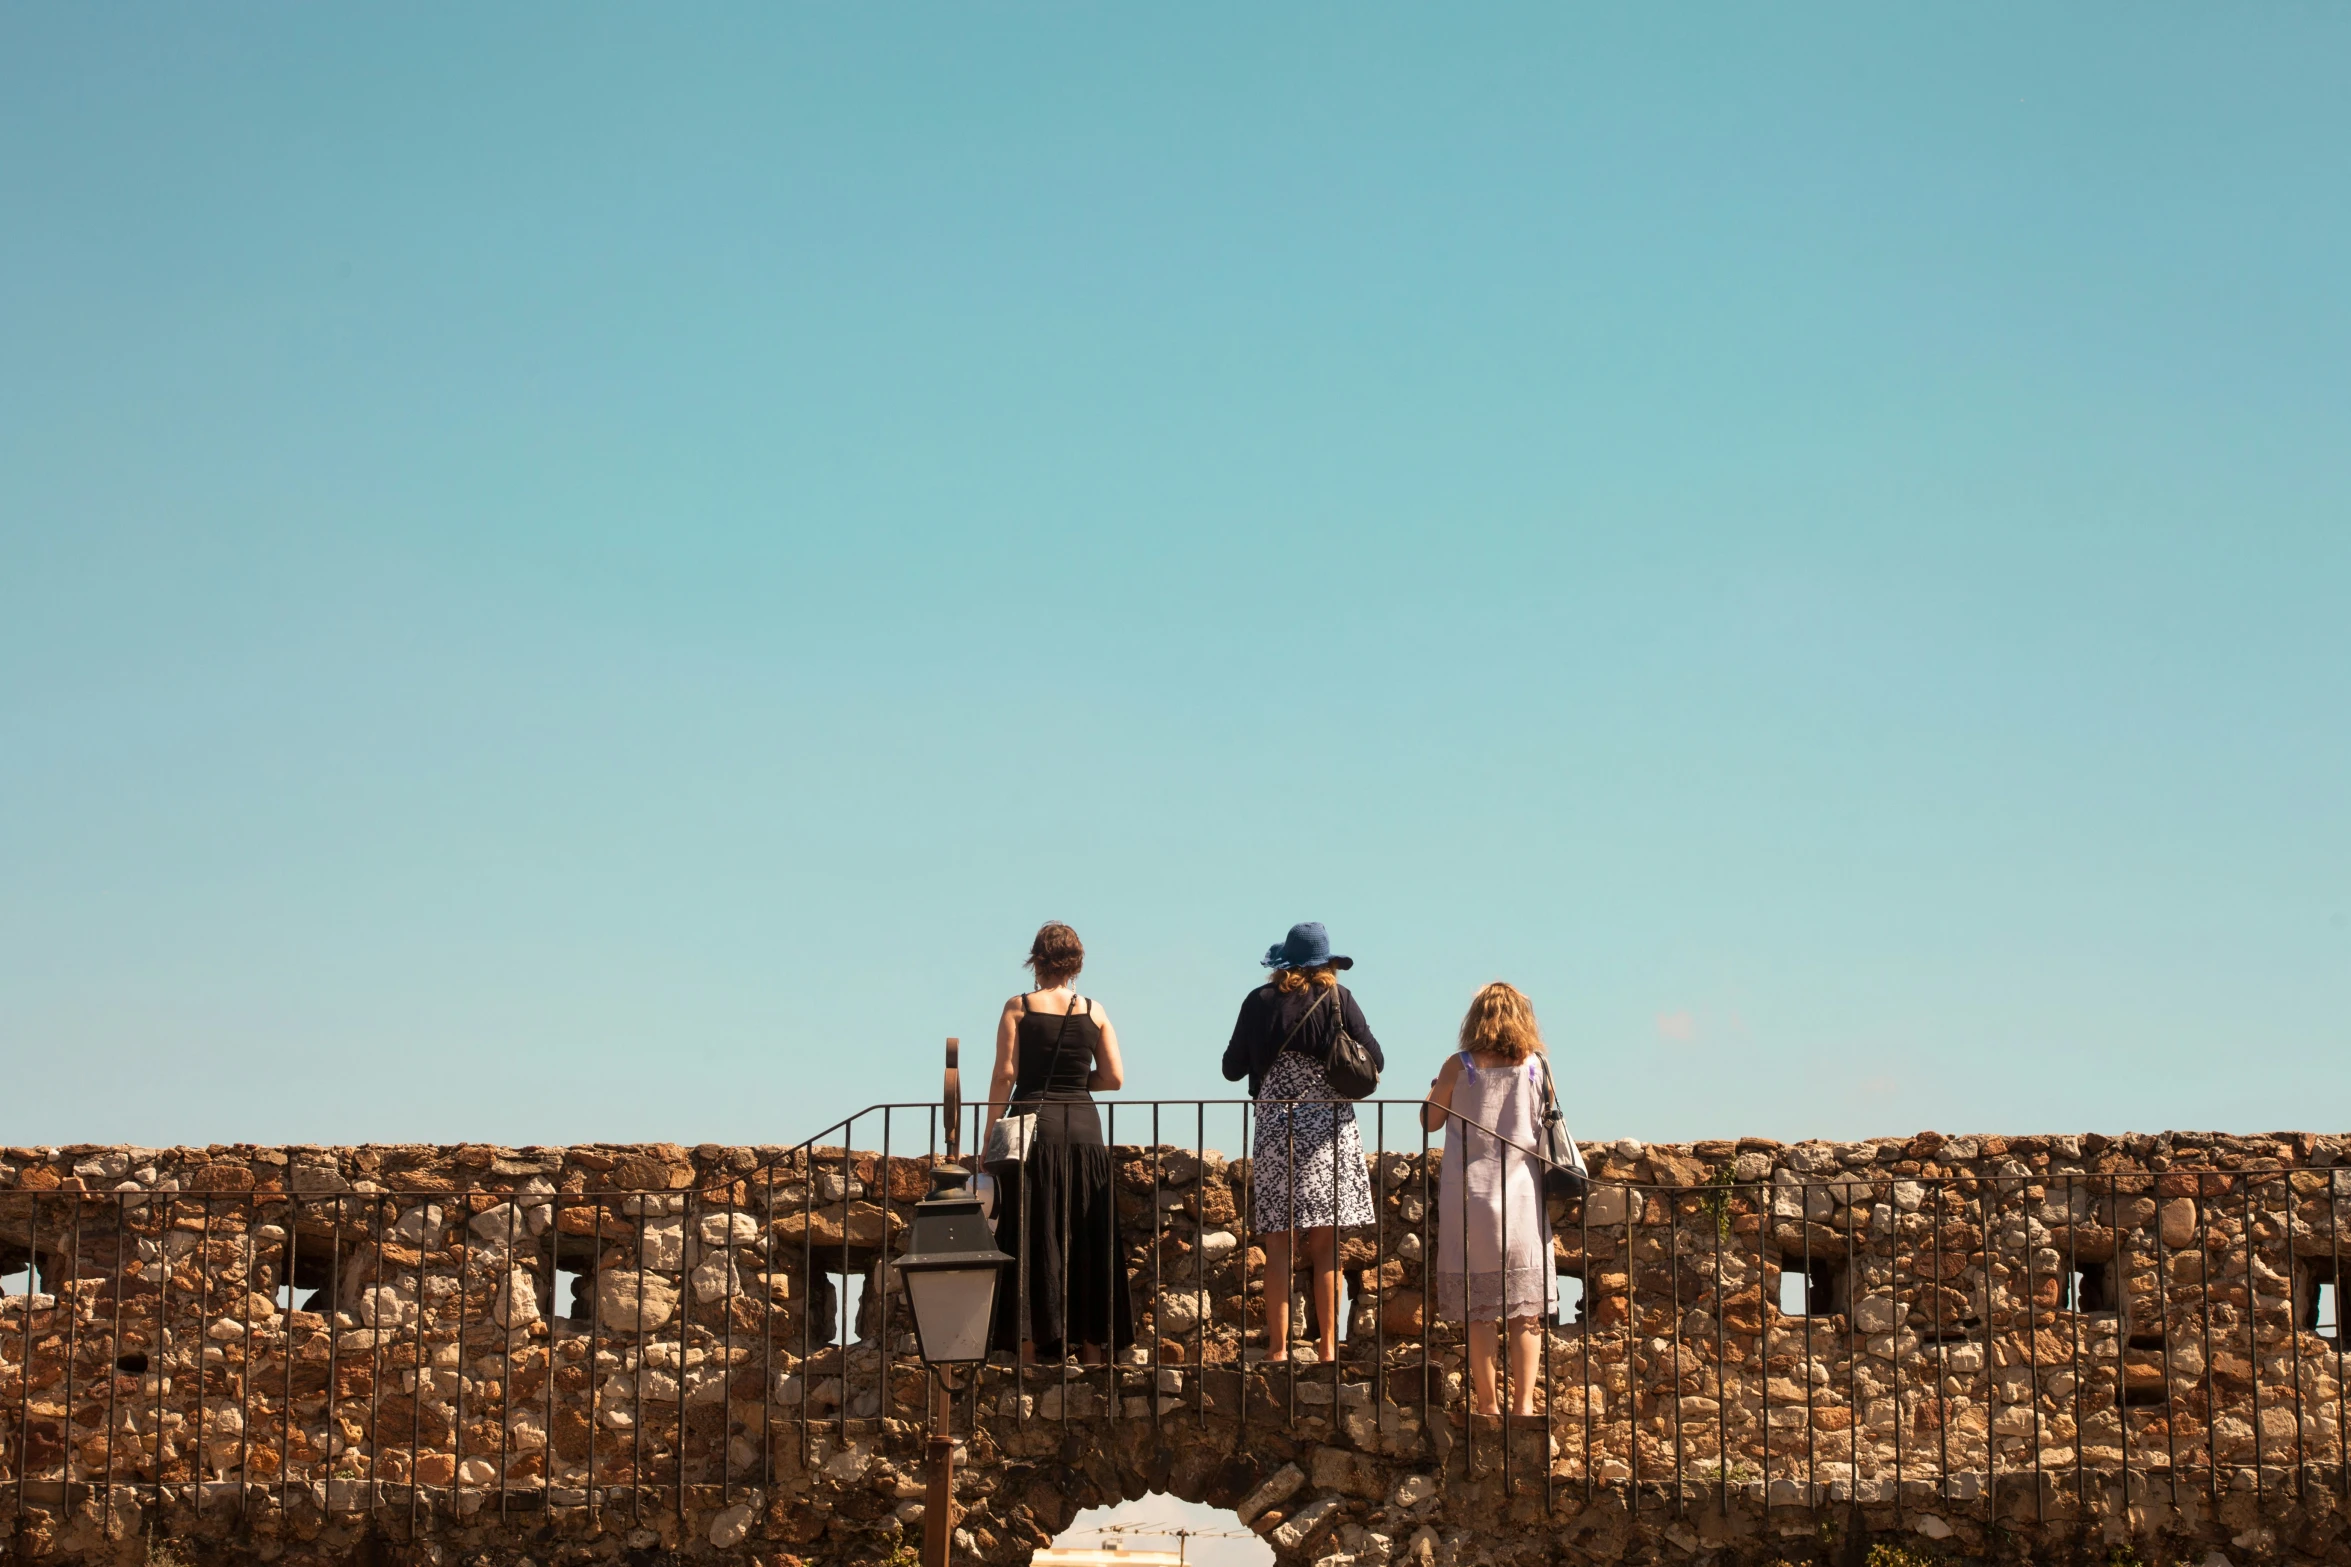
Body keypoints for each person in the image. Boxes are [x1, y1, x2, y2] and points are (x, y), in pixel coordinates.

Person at [1222, 921, 1383, 1364]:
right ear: (1327, 963)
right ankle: (1330, 1349)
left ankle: (1277, 1350)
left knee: (1277, 1245)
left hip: (1277, 1131)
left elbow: (1231, 1068)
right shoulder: (1338, 1000)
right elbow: (1377, 1059)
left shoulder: (1258, 1002)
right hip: (1328, 1130)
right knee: (1326, 1248)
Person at [981, 922, 1135, 1363]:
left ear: (1036, 960)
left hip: (1033, 1125)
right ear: (1076, 963)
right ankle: (1091, 1352)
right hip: (1085, 1130)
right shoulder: (1094, 1010)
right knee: (1087, 1234)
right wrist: (1074, 1080)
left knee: (1032, 1233)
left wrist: (992, 1132)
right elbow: (1114, 1078)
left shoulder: (1019, 1007)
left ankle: (1029, 1351)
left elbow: (1004, 1074)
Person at [1421, 981, 1558, 1418]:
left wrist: (1435, 1088)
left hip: (1471, 1198)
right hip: (1523, 1196)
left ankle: (1488, 1405)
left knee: (1480, 1310)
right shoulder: (1537, 1066)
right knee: (1525, 1311)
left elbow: (1430, 1121)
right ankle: (1524, 1405)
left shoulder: (1458, 1066)